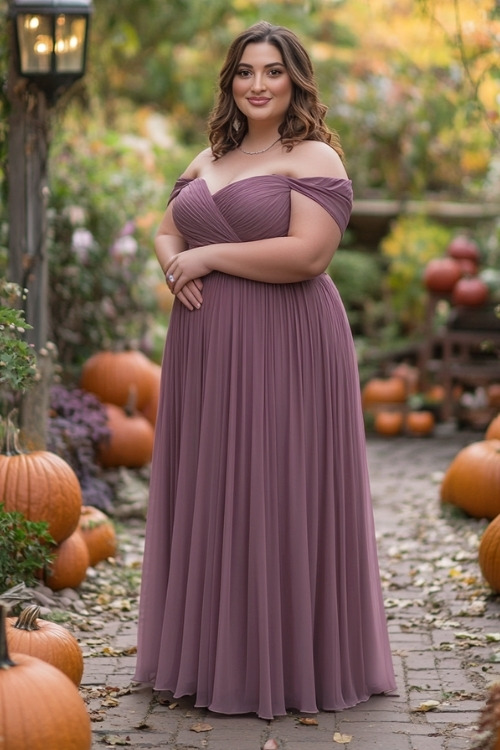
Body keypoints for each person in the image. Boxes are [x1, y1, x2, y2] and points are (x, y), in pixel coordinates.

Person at [134, 20, 396, 720]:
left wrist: (209, 257)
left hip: (288, 342)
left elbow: (309, 255)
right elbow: (167, 227)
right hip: (204, 351)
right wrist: (172, 260)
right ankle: (213, 658)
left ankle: (284, 668)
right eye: (245, 71)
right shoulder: (207, 156)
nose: (257, 84)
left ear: (294, 80)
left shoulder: (313, 157)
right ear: (230, 82)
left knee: (274, 488)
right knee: (216, 490)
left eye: (272, 71)